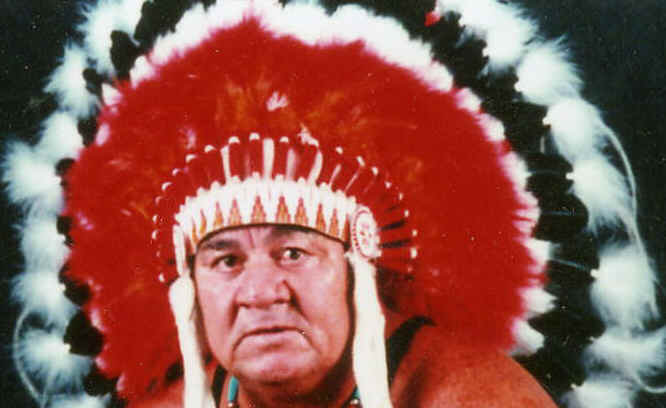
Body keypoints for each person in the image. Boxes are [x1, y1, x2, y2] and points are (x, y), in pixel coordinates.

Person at [6, 1, 663, 408]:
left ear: (361, 270)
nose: (262, 292)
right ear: (191, 289)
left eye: (294, 251)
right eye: (225, 260)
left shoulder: (473, 397)